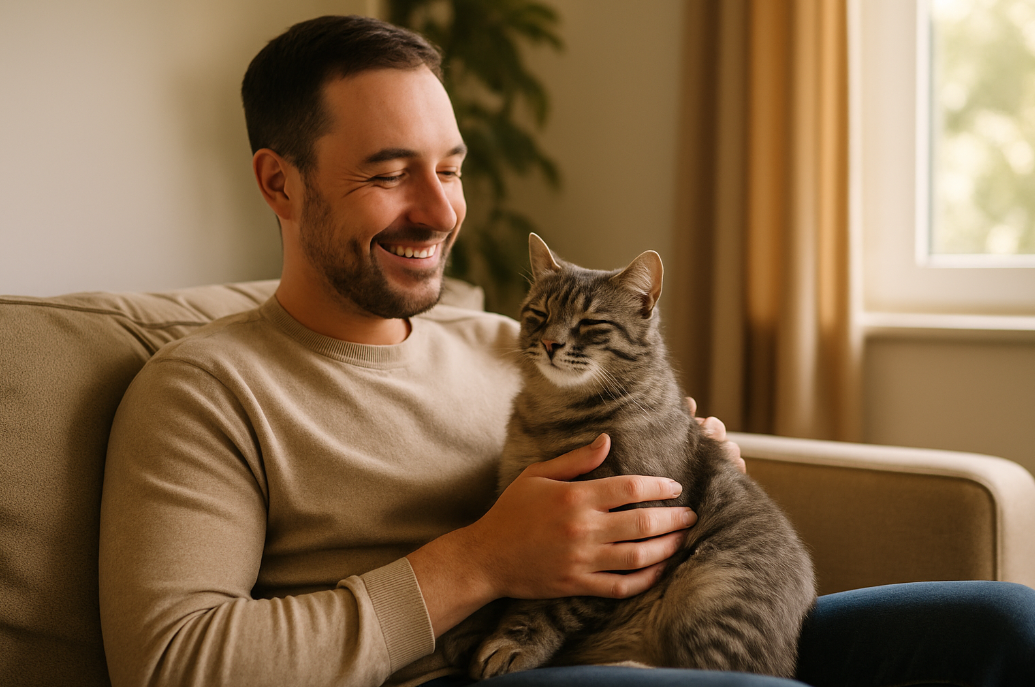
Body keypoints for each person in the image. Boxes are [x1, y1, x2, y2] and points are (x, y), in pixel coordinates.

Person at [97, 14, 1035, 687]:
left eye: (451, 168)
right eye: (389, 174)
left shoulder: (506, 342)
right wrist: (480, 562)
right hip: (477, 670)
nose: (438, 210)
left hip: (647, 621)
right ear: (279, 182)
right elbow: (175, 661)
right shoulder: (204, 390)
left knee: (1004, 625)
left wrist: (700, 474)